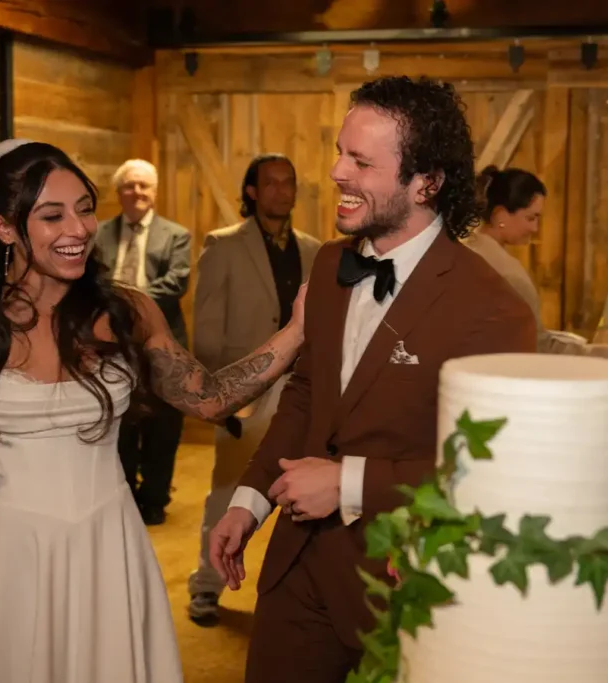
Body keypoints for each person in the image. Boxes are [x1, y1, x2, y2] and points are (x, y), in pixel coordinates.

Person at [0, 139, 307, 683]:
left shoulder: (126, 310)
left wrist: (297, 331)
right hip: (8, 550)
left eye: (86, 208)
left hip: (106, 542)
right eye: (52, 215)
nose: (79, 228)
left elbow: (207, 398)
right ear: (4, 228)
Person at [208, 76, 537, 683]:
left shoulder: (492, 307)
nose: (335, 172)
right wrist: (248, 502)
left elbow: (495, 473)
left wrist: (349, 482)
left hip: (401, 583)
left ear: (425, 182)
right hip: (294, 571)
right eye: (339, 152)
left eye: (360, 160)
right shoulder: (332, 263)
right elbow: (306, 396)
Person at [187, 153, 321, 625]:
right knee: (228, 491)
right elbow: (206, 328)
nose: (282, 191)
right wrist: (219, 395)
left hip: (305, 387)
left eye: (289, 183)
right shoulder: (223, 245)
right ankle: (207, 585)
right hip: (245, 390)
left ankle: (300, 597)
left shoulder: (316, 249)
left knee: (305, 493)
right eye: (271, 183)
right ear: (252, 191)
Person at [463, 165, 608, 362]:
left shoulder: (464, 252)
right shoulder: (506, 274)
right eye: (530, 218)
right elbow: (538, 346)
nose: (535, 228)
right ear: (500, 216)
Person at [96, 159, 191, 525]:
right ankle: (124, 495)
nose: (136, 192)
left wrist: (124, 302)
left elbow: (176, 282)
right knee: (120, 423)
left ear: (154, 193)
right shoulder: (98, 233)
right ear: (119, 192)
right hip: (110, 344)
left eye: (143, 186)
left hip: (160, 343)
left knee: (162, 426)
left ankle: (154, 498)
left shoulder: (175, 235)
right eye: (129, 186)